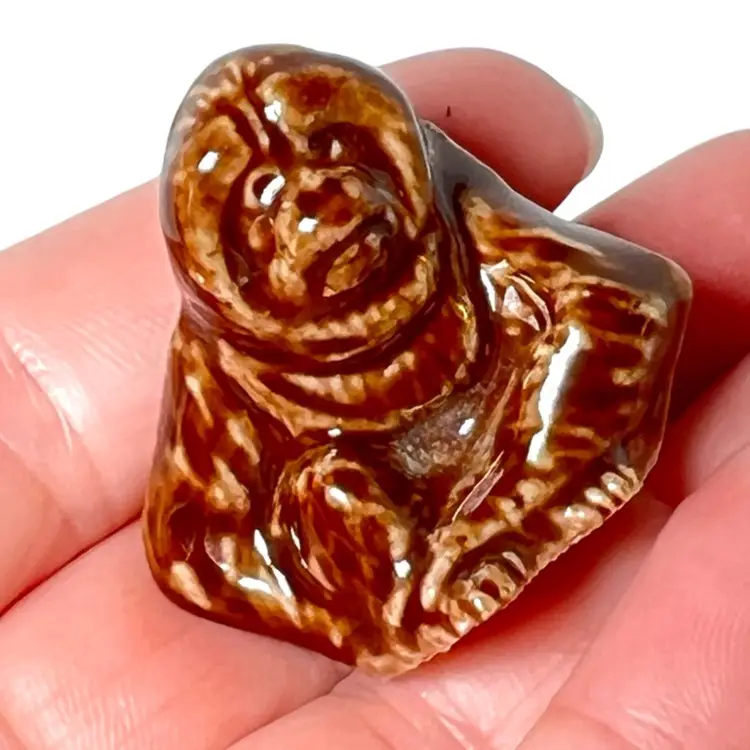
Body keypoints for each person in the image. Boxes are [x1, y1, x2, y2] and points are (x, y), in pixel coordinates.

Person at [0, 47, 746, 749]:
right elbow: (195, 543)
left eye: (334, 153)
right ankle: (425, 579)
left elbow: (625, 295)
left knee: (601, 336)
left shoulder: (458, 217)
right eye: (267, 200)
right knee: (326, 490)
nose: (321, 200)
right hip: (392, 539)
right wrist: (353, 608)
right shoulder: (228, 360)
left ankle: (503, 522)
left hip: (516, 461)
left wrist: (522, 492)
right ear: (228, 267)